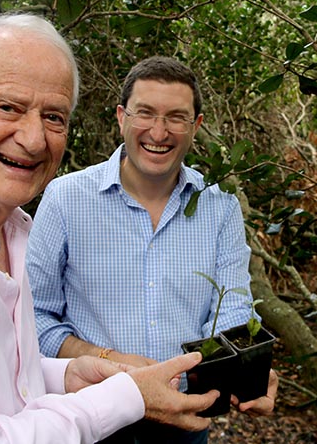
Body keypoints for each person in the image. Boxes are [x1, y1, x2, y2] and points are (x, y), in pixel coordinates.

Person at [0, 17, 222, 443]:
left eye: (53, 117)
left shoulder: (11, 227)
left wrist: (68, 375)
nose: (33, 139)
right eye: (7, 106)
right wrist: (124, 397)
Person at [27, 56, 278, 443]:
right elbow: (34, 316)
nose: (159, 132)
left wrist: (246, 366)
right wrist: (109, 360)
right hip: (90, 416)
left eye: (176, 117)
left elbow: (232, 309)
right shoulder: (65, 198)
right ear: (121, 117)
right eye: (145, 113)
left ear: (195, 126)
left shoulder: (220, 205)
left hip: (185, 421)